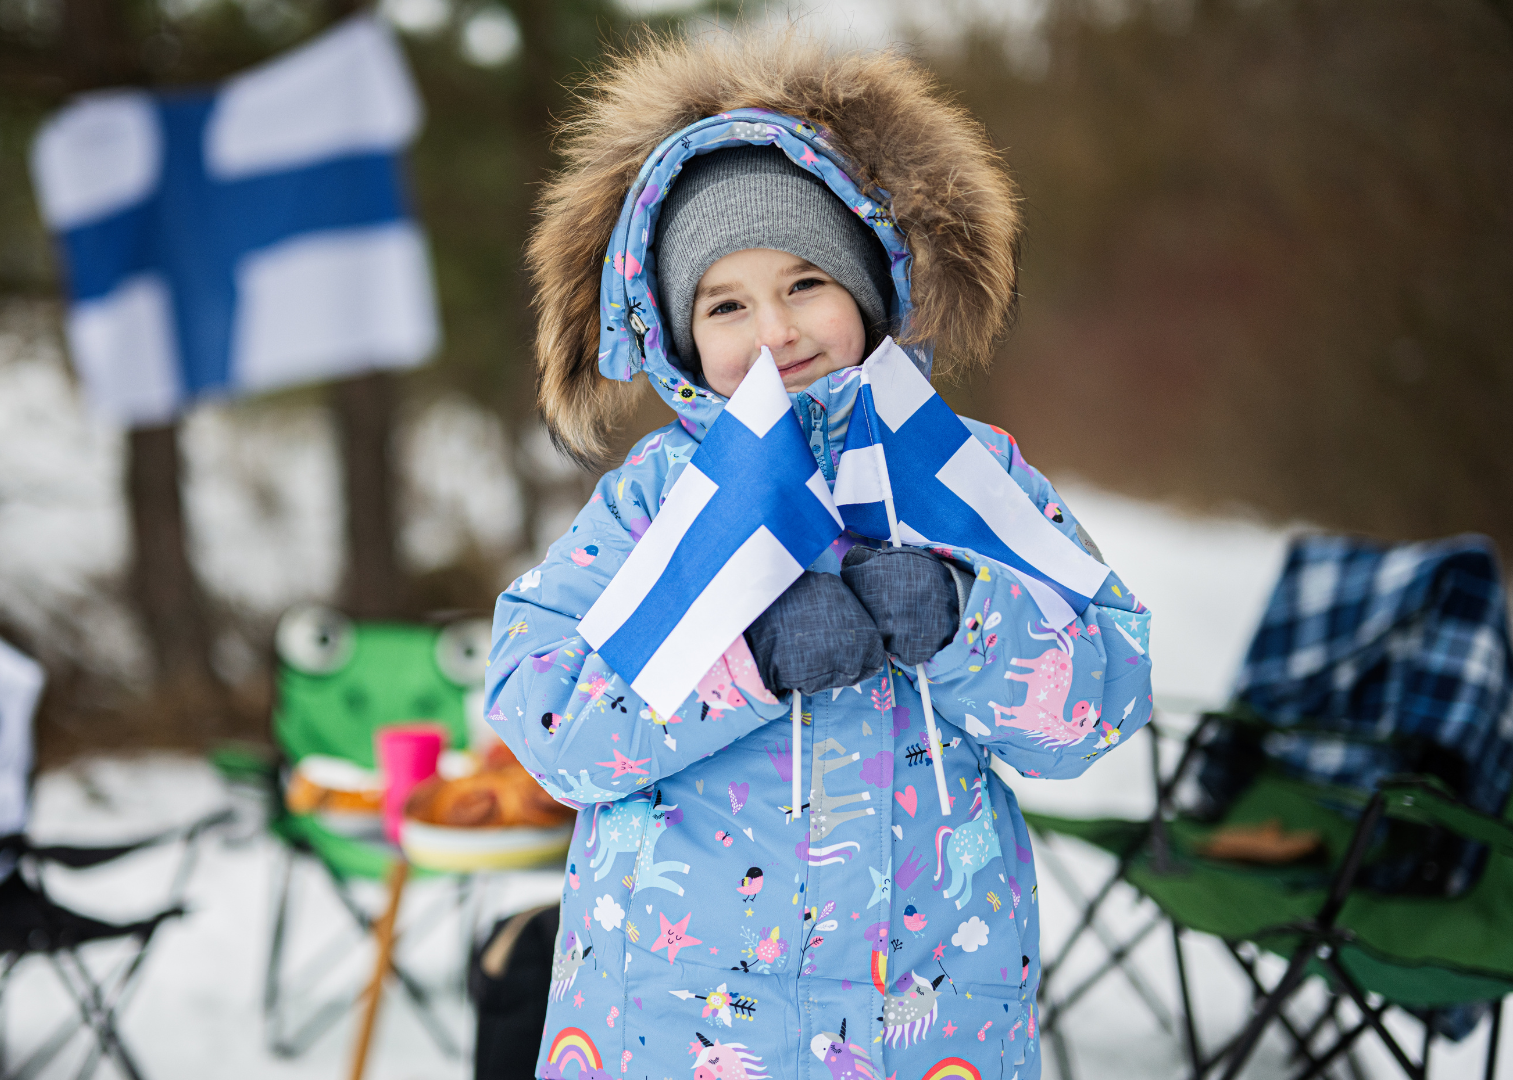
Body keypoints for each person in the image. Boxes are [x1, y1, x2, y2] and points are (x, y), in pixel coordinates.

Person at [485, 27, 1155, 1080]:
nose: (775, 334)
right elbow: (545, 714)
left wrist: (960, 615)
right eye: (726, 303)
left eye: (806, 283)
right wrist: (742, 651)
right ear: (677, 332)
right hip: (676, 1025)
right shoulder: (655, 504)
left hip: (929, 1021)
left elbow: (1106, 695)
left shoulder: (964, 475)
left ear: (871, 286)